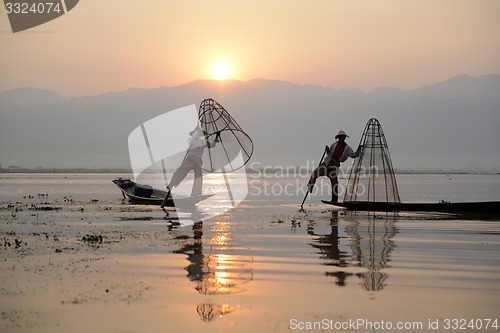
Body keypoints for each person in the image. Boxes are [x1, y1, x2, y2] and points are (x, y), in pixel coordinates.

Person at [307, 130, 362, 203]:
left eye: (343, 137)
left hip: (334, 166)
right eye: (340, 137)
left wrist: (359, 149)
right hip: (326, 163)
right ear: (338, 138)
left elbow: (354, 155)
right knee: (315, 173)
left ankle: (334, 200)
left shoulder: (347, 148)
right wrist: (327, 150)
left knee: (334, 183)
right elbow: (329, 153)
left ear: (345, 138)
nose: (342, 138)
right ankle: (310, 185)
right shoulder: (333, 144)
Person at [167, 126, 220, 197]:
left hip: (196, 160)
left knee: (196, 176)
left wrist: (217, 136)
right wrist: (216, 137)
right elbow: (212, 145)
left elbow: (212, 145)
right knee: (182, 171)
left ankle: (196, 193)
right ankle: (172, 184)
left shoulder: (202, 142)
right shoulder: (195, 141)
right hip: (192, 158)